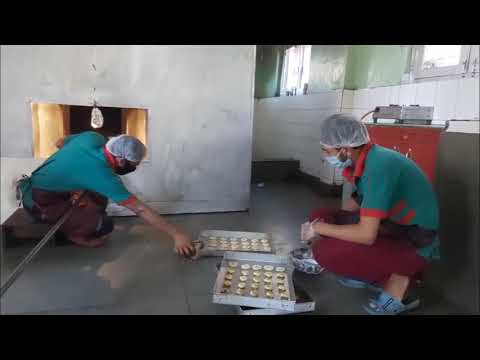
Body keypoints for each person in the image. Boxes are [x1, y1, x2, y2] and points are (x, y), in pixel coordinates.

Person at [301, 113, 440, 315]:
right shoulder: (369, 158)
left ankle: (400, 282)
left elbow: (366, 235)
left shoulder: (379, 167)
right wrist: (323, 223)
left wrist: (319, 229)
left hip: (416, 242)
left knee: (326, 250)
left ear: (345, 150)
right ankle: (368, 270)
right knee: (321, 214)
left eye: (327, 150)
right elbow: (358, 201)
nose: (326, 156)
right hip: (394, 227)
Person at [17, 131, 194, 257]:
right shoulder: (103, 175)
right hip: (39, 201)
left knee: (99, 197)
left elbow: (60, 142)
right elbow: (139, 209)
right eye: (133, 164)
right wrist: (176, 233)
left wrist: (69, 172)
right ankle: (74, 235)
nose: (134, 168)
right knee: (104, 225)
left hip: (50, 186)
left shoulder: (92, 137)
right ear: (121, 160)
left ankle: (77, 214)